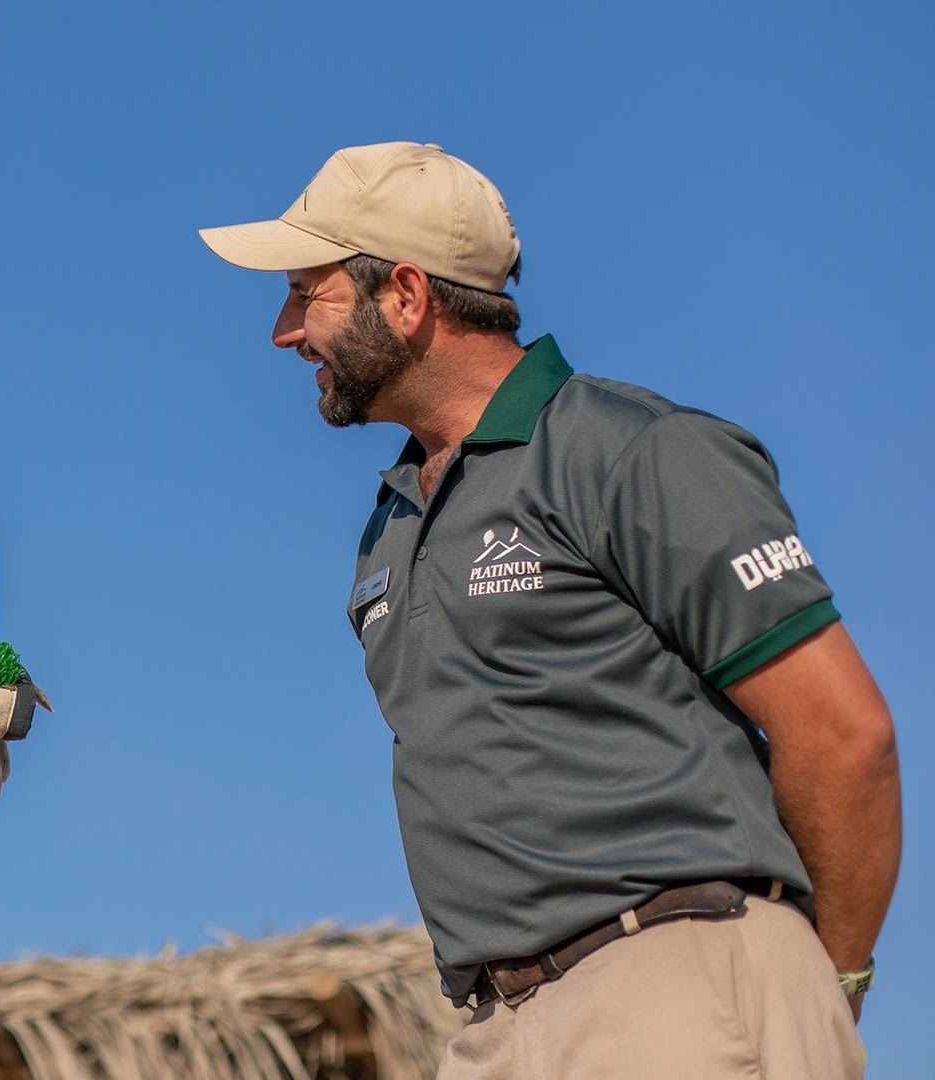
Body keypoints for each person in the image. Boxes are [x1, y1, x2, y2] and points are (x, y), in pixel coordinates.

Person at [200, 142, 898, 1078]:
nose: (284, 332)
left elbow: (845, 736)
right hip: (491, 1030)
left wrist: (829, 985)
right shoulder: (387, 530)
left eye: (305, 292)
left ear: (406, 297)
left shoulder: (634, 450)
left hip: (675, 983)